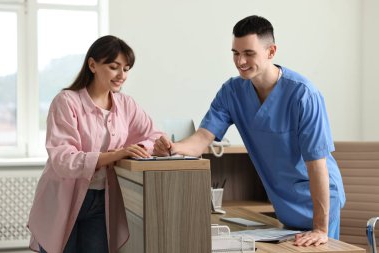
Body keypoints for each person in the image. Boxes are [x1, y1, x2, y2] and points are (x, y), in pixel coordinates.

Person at [154, 15, 346, 247]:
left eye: (249, 53)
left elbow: (317, 165)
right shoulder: (232, 92)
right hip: (284, 205)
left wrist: (320, 228)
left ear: (271, 52)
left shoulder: (304, 95)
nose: (240, 61)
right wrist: (174, 149)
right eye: (235, 53)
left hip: (319, 204)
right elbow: (203, 138)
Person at [27, 35, 164, 253]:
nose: (122, 75)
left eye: (126, 69)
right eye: (114, 67)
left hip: (101, 200)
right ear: (92, 65)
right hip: (62, 200)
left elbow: (154, 136)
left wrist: (153, 147)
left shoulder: (126, 104)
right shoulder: (66, 101)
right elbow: (64, 160)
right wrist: (117, 154)